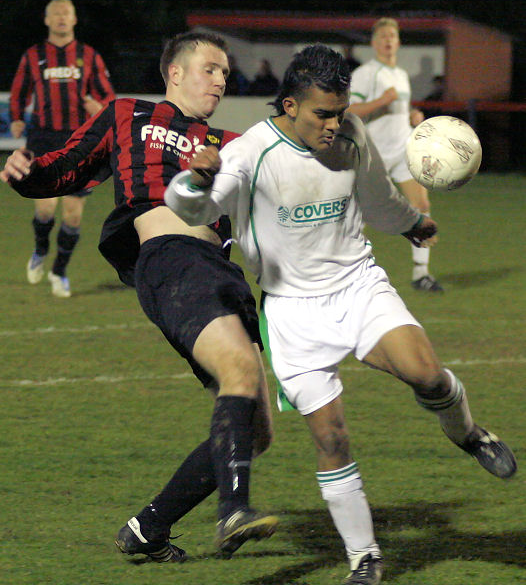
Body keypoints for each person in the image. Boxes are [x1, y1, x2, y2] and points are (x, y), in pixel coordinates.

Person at [164, 44, 517, 585]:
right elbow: (190, 208)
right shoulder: (248, 153)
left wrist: (410, 223)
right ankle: (364, 557)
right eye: (321, 114)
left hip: (357, 286)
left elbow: (376, 197)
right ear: (288, 105)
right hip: (291, 314)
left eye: (339, 111)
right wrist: (198, 178)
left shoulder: (352, 132)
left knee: (426, 372)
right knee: (331, 439)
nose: (333, 124)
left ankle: (469, 434)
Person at [1, 32, 278, 562]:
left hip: (224, 273)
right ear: (174, 72)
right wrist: (28, 174)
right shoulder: (129, 113)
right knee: (240, 375)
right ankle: (234, 511)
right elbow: (67, 165)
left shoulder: (233, 142)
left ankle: (148, 528)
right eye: (209, 68)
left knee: (256, 430)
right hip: (171, 260)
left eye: (225, 72)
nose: (221, 79)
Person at [9, 0, 115, 297]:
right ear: (46, 19)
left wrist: (100, 106)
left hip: (79, 141)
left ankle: (59, 271)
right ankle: (41, 249)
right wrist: (16, 118)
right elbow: (18, 92)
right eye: (55, 13)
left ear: (74, 19)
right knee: (44, 209)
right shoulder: (33, 55)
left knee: (73, 216)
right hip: (42, 139)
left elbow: (108, 96)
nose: (60, 18)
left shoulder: (89, 56)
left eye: (66, 13)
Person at [347, 18, 443, 292]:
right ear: (375, 43)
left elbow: (399, 109)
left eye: (393, 36)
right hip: (373, 153)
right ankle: (342, 271)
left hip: (402, 150)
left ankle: (421, 274)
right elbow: (350, 112)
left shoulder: (400, 74)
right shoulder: (367, 73)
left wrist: (412, 116)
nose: (389, 40)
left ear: (398, 42)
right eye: (383, 36)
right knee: (357, 216)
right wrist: (382, 102)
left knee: (421, 205)